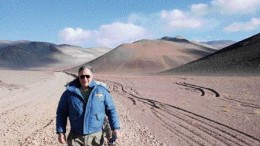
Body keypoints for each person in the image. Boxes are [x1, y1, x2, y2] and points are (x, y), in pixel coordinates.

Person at [56, 66, 120, 146]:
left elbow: (111, 110)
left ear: (92, 76)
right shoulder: (69, 93)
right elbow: (61, 113)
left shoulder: (101, 91)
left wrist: (115, 128)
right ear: (78, 76)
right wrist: (61, 132)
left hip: (96, 138)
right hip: (75, 138)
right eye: (82, 76)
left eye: (87, 76)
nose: (84, 79)